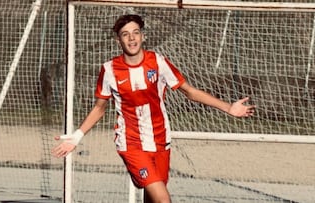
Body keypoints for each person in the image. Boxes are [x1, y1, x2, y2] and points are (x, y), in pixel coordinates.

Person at [51, 14, 255, 203]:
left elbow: (189, 91)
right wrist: (77, 137)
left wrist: (228, 107)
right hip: (132, 144)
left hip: (160, 141)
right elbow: (99, 108)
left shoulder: (157, 62)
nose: (131, 38)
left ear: (143, 36)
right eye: (125, 34)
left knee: (154, 199)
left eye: (135, 33)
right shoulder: (110, 70)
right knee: (164, 200)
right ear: (118, 41)